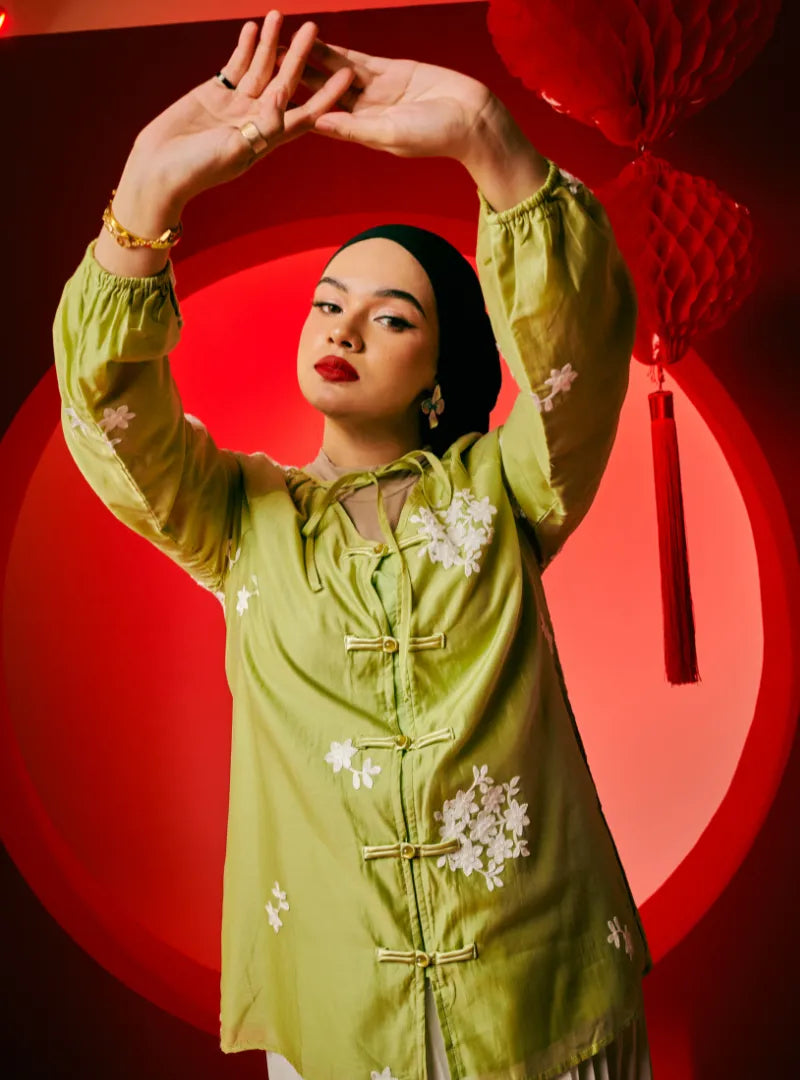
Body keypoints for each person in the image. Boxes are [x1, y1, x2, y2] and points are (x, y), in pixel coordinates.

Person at [52, 10, 653, 1079]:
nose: (341, 328)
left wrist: (481, 131)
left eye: (390, 317)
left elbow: (577, 345)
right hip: (336, 1020)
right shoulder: (235, 516)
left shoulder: (507, 489)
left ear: (438, 368)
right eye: (330, 305)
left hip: (540, 1004)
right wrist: (148, 188)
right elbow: (110, 416)